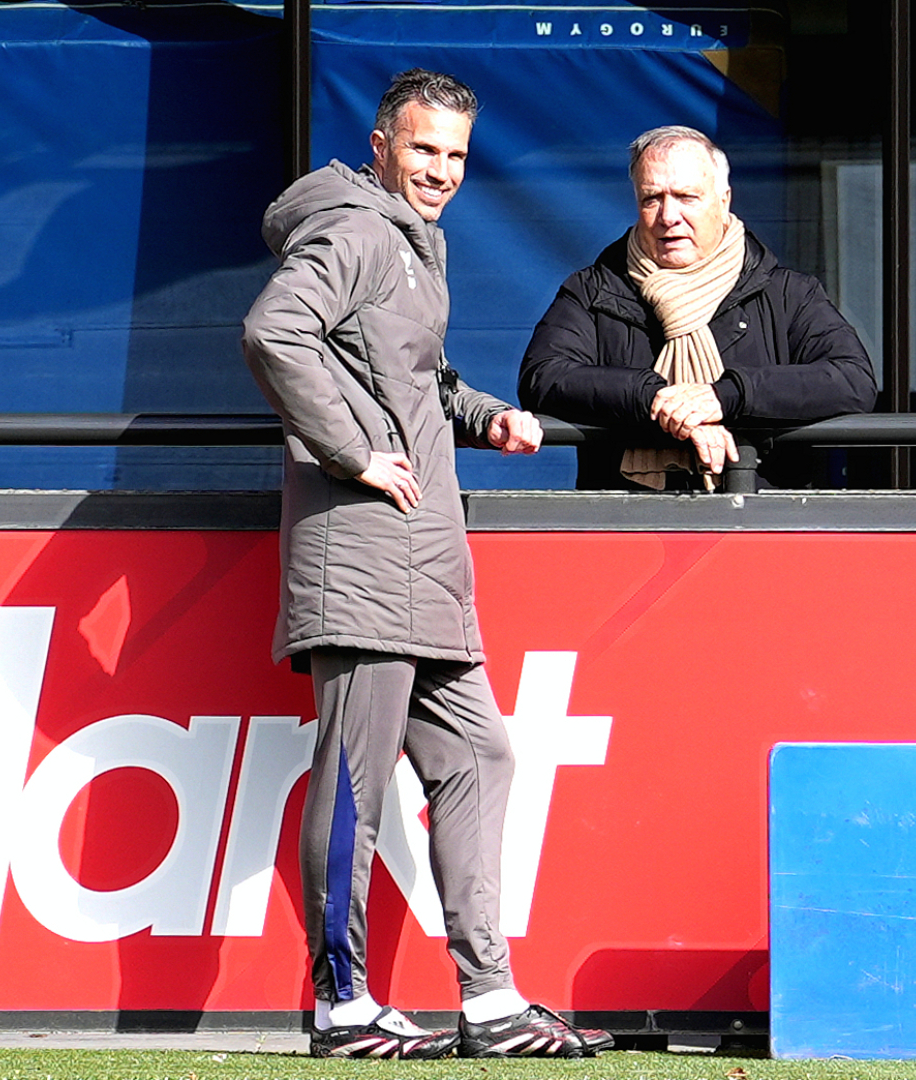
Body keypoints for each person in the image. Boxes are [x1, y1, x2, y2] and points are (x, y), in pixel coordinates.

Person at [240, 69, 613, 1060]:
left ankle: (489, 1001)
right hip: (364, 554)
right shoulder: (358, 230)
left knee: (479, 756)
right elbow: (275, 330)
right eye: (423, 150)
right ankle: (340, 1004)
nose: (440, 170)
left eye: (454, 154)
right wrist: (351, 450)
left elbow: (420, 378)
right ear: (380, 145)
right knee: (356, 784)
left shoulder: (415, 246)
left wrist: (486, 415)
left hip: (424, 562)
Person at [518, 125, 877, 490]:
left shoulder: (788, 294)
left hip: (762, 526)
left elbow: (853, 379)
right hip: (629, 528)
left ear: (724, 201)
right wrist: (658, 400)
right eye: (651, 198)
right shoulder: (594, 290)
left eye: (687, 197)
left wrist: (724, 397)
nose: (668, 216)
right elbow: (543, 377)